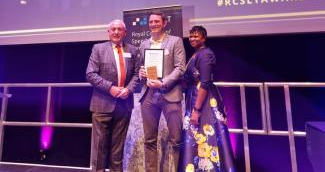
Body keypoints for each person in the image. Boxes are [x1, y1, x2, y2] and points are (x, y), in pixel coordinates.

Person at [180, 26, 236, 171]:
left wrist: (197, 110)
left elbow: (204, 83)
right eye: (191, 36)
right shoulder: (196, 54)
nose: (192, 39)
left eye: (196, 36)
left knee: (206, 135)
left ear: (204, 38)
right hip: (194, 97)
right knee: (197, 136)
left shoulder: (205, 54)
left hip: (203, 101)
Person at [86, 19, 139, 172]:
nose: (116, 32)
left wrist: (128, 89)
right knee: (99, 149)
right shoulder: (98, 48)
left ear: (125, 32)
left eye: (119, 29)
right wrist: (110, 88)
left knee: (118, 149)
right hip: (102, 104)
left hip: (124, 105)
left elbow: (137, 74)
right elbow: (90, 74)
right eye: (113, 29)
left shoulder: (133, 50)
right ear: (108, 32)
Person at [138, 11, 186, 172]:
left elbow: (180, 68)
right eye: (151, 22)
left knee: (177, 139)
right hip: (148, 96)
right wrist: (141, 73)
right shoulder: (144, 44)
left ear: (164, 23)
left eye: (157, 21)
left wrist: (162, 83)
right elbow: (142, 67)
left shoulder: (175, 41)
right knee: (149, 140)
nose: (153, 24)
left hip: (170, 94)